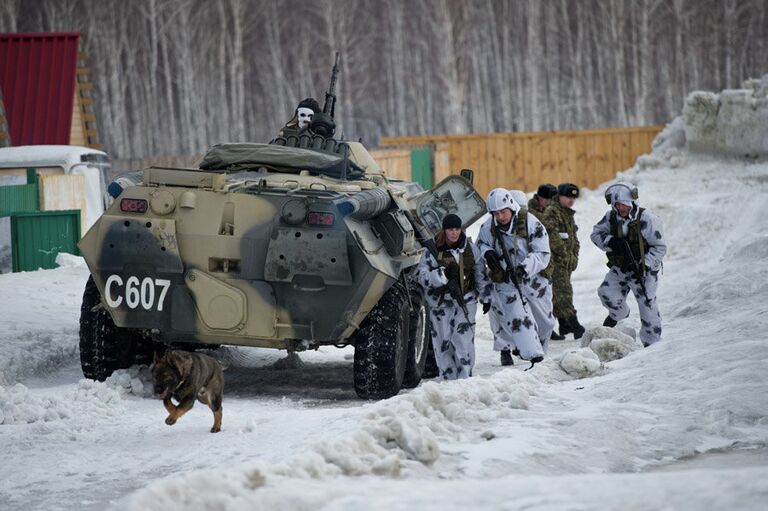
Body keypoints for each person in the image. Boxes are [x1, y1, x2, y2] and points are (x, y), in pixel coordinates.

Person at [477, 188, 550, 367]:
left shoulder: (531, 224)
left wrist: (524, 268)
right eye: (496, 213)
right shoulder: (488, 227)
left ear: (511, 207)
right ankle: (533, 355)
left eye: (503, 212)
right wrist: (488, 253)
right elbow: (480, 244)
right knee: (518, 318)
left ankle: (539, 349)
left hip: (533, 278)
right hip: (506, 280)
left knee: (545, 323)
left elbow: (543, 253)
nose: (500, 217)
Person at [590, 183, 667, 346]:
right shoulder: (611, 217)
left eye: (624, 204)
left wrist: (645, 263)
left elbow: (659, 247)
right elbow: (596, 233)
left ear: (631, 203)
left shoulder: (647, 219)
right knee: (606, 292)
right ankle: (618, 314)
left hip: (643, 271)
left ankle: (652, 341)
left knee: (647, 304)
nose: (621, 208)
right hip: (620, 267)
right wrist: (610, 241)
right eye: (617, 205)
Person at [417, 214, 491, 380]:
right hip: (440, 306)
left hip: (466, 302)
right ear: (444, 230)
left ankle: (465, 378)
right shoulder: (432, 251)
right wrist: (441, 275)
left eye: (457, 229)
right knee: (443, 344)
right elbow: (422, 277)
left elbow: (480, 274)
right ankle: (448, 378)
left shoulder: (471, 249)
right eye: (450, 229)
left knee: (464, 342)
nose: (454, 233)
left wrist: (486, 297)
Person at [542, 183, 585, 339]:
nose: (571, 201)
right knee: (564, 292)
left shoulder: (567, 213)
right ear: (559, 196)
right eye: (568, 197)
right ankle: (575, 324)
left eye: (573, 198)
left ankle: (564, 325)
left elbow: (573, 238)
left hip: (565, 262)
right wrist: (566, 256)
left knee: (559, 293)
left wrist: (575, 256)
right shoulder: (552, 212)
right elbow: (552, 238)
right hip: (555, 261)